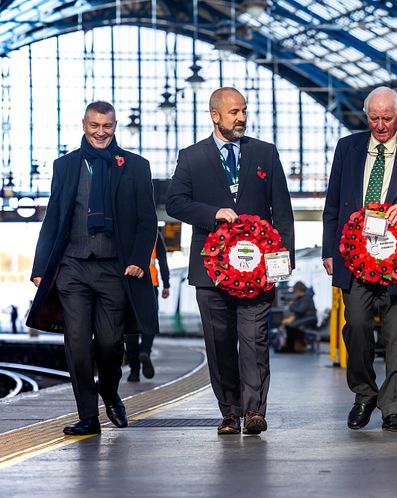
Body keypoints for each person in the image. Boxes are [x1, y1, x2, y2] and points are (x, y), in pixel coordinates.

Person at [166, 87, 294, 435]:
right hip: (210, 273)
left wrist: (283, 261)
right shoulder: (192, 157)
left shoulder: (265, 154)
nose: (241, 118)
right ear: (215, 115)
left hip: (258, 272)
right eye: (234, 112)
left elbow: (281, 210)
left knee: (254, 341)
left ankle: (254, 412)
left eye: (244, 111)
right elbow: (175, 203)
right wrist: (211, 214)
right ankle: (229, 411)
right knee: (219, 343)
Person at [27, 101, 158, 436]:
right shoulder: (66, 165)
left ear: (115, 127)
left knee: (111, 344)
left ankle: (110, 392)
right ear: (84, 124)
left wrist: (138, 260)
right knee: (78, 343)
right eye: (94, 126)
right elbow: (54, 217)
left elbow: (147, 220)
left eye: (107, 127)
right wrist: (41, 266)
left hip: (115, 269)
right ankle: (88, 416)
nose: (101, 133)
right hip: (72, 267)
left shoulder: (135, 166)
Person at [322, 86, 397, 432]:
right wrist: (329, 250)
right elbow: (333, 203)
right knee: (356, 325)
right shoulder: (347, 148)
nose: (380, 125)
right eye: (373, 118)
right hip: (354, 257)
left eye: (387, 118)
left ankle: (393, 406)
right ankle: (364, 394)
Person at [125, 232, 170, 382]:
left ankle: (134, 372)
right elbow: (163, 261)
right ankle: (144, 350)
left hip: (129, 284)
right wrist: (167, 285)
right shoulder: (155, 235)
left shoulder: (126, 231)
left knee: (130, 327)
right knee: (149, 322)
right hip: (151, 285)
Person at [280, 281, 317, 353]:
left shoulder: (306, 297)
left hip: (309, 319)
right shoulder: (304, 297)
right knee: (290, 327)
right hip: (306, 318)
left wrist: (291, 306)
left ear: (298, 290)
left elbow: (301, 310)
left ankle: (290, 348)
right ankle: (292, 347)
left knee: (291, 326)